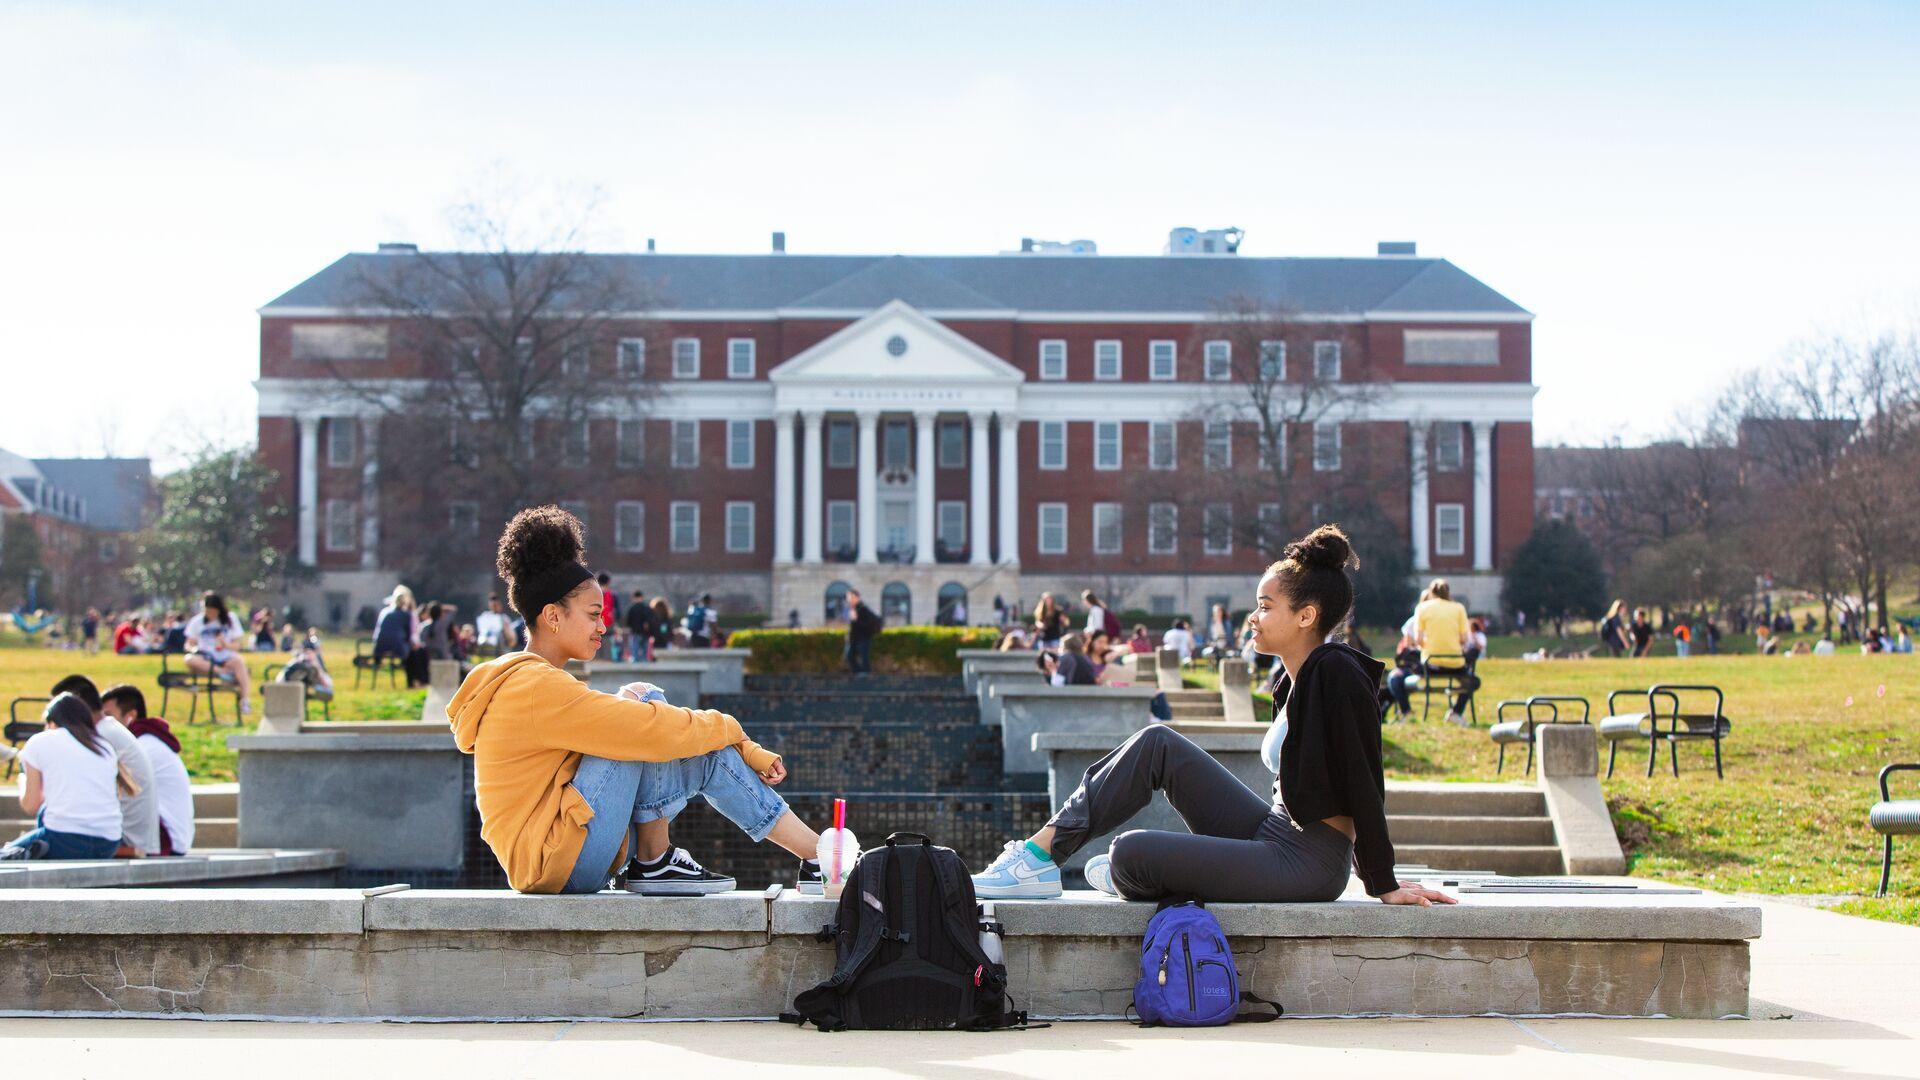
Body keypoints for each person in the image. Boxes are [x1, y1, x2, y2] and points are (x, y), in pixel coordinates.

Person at [970, 524, 1455, 910]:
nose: (1253, 617)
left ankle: (1133, 869)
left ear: (1306, 616)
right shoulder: (1292, 679)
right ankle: (1037, 857)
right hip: (1273, 832)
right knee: (1158, 742)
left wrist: (1381, 879)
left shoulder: (1338, 672)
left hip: (1308, 861)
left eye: (1265, 607)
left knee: (1128, 852)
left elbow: (1364, 778)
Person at [447, 504, 826, 895]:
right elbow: (645, 729)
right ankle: (656, 861)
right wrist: (732, 727)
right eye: (594, 614)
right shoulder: (533, 689)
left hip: (566, 850)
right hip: (558, 862)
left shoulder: (536, 682)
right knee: (643, 708)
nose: (603, 625)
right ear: (553, 616)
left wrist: (737, 744)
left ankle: (817, 858)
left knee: (692, 745)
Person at [0, 694, 122, 860]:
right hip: (109, 842)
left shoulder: (40, 741)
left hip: (63, 839)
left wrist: (23, 780)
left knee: (5, 858)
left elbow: (31, 805)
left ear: (52, 722)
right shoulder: (104, 746)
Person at [50, 675, 160, 857]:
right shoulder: (107, 730)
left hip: (125, 837)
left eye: (57, 711)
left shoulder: (99, 737)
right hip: (131, 834)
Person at [101, 685, 194, 856]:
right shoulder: (148, 740)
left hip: (164, 839)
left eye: (109, 717)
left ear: (131, 716)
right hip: (169, 835)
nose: (102, 725)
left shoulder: (143, 747)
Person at [1385, 580, 1479, 725]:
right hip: (1455, 663)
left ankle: (1406, 712)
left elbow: (1418, 639)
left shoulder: (1422, 607)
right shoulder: (1459, 607)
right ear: (1448, 593)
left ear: (1431, 593)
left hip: (1431, 664)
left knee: (1397, 677)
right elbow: (1464, 639)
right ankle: (1456, 712)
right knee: (1473, 680)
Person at [184, 592, 254, 716]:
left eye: (212, 611)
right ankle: (223, 673)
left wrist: (225, 645)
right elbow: (188, 644)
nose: (210, 614)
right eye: (207, 610)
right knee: (189, 659)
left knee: (239, 662)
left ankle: (245, 700)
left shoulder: (230, 619)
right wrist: (194, 649)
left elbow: (238, 645)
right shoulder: (197, 621)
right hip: (205, 658)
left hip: (225, 656)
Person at [373, 585, 419, 680]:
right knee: (413, 653)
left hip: (380, 647)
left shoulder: (385, 612)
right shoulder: (406, 615)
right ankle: (413, 680)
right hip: (397, 646)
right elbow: (409, 635)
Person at [843, 588, 881, 674]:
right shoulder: (853, 609)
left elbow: (866, 624)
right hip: (854, 639)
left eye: (851, 597)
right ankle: (859, 674)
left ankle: (864, 677)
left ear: (857, 598)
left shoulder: (863, 609)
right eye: (848, 598)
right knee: (849, 656)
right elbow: (852, 626)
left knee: (864, 658)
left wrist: (856, 620)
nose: (849, 600)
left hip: (863, 638)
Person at [625, 590, 657, 662]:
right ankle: (644, 662)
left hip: (635, 632)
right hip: (646, 633)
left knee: (635, 648)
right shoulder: (646, 608)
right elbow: (651, 620)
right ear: (642, 597)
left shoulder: (632, 608)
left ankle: (636, 662)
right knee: (645, 649)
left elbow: (628, 621)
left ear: (634, 598)